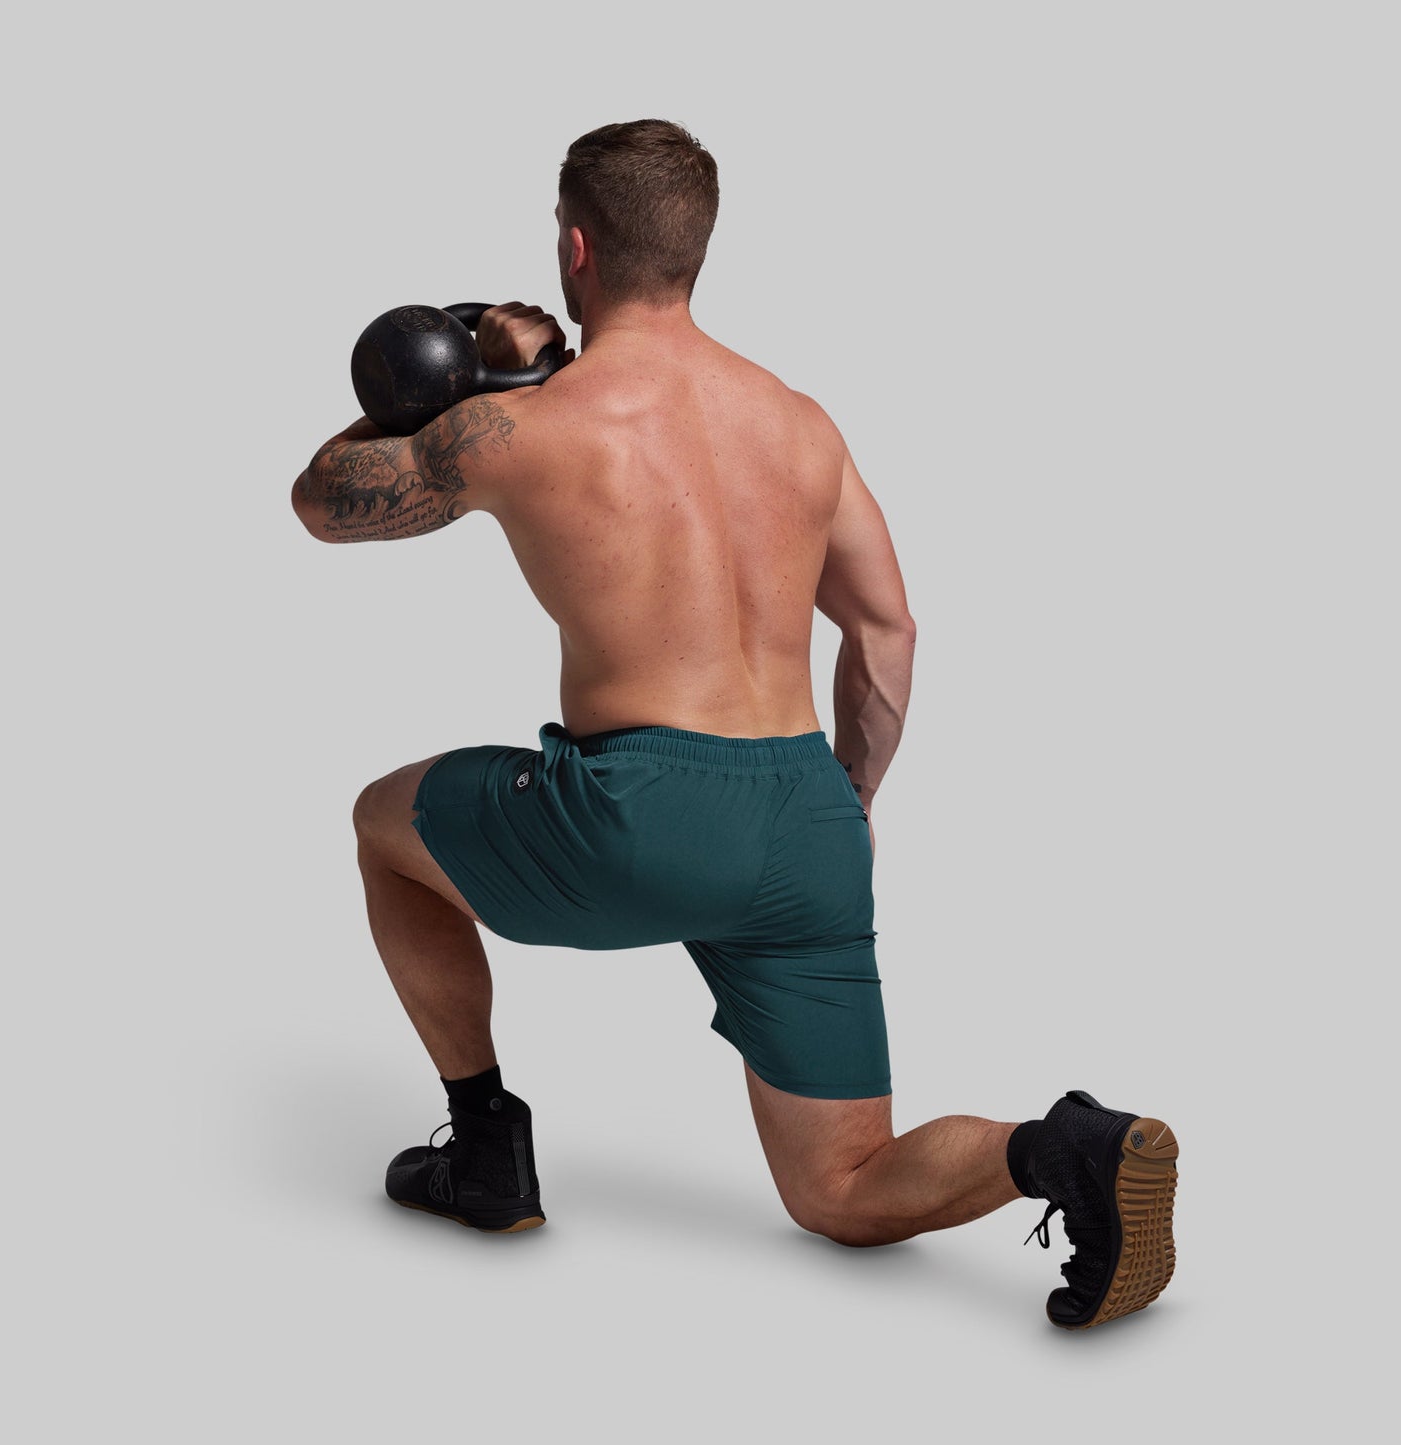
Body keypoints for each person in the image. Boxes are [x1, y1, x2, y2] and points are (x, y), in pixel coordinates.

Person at [290, 119, 1178, 1329]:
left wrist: (453, 377)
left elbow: (324, 505)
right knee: (842, 1186)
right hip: (805, 815)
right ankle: (1063, 1149)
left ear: (575, 245)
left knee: (379, 822)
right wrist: (839, 807)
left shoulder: (528, 423)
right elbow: (887, 634)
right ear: (697, 250)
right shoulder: (800, 422)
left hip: (632, 813)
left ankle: (485, 1140)